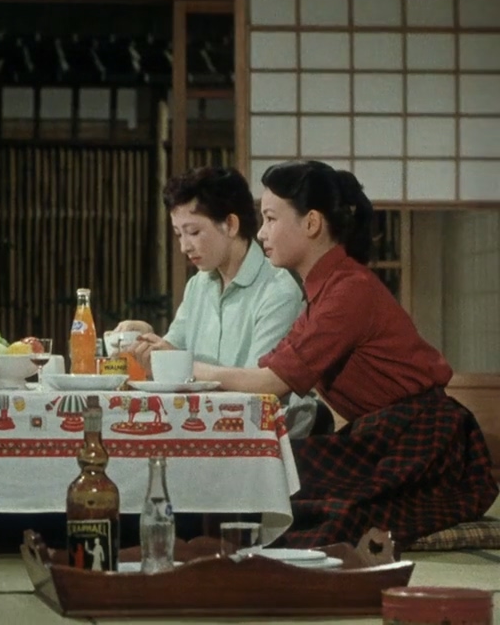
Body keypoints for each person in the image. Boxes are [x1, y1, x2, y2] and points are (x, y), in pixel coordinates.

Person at [195, 160, 498, 547]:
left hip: (428, 442)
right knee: (273, 473)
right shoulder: (320, 295)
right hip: (383, 437)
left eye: (270, 219)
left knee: (292, 488)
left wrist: (189, 368)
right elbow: (266, 372)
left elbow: (271, 385)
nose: (262, 232)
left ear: (312, 224)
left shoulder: (348, 291)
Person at [114, 166, 326, 438]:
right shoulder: (199, 285)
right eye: (179, 234)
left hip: (258, 434)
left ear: (231, 225)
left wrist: (174, 363)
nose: (184, 247)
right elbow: (174, 350)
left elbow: (257, 388)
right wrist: (146, 339)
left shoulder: (277, 290)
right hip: (198, 424)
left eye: (193, 232)